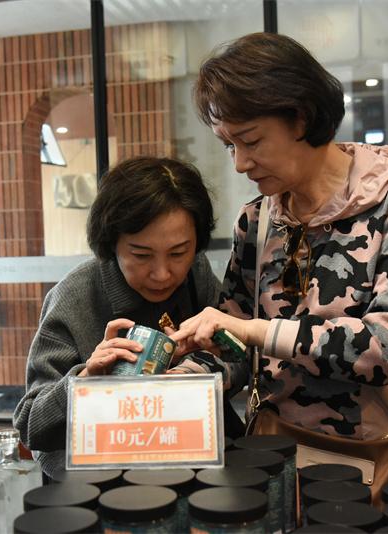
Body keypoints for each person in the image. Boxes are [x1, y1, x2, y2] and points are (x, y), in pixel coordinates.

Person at [170, 32, 388, 479]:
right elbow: (233, 345)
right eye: (229, 145)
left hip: (378, 462)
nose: (240, 163)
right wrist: (172, 381)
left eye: (251, 141)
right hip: (277, 460)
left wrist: (255, 330)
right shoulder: (256, 220)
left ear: (300, 118)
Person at [12, 156, 236, 477]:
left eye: (178, 253)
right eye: (141, 255)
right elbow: (30, 425)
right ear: (110, 243)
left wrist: (195, 369)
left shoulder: (196, 276)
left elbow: (241, 358)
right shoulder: (74, 298)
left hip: (190, 465)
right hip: (100, 481)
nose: (162, 274)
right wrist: (86, 381)